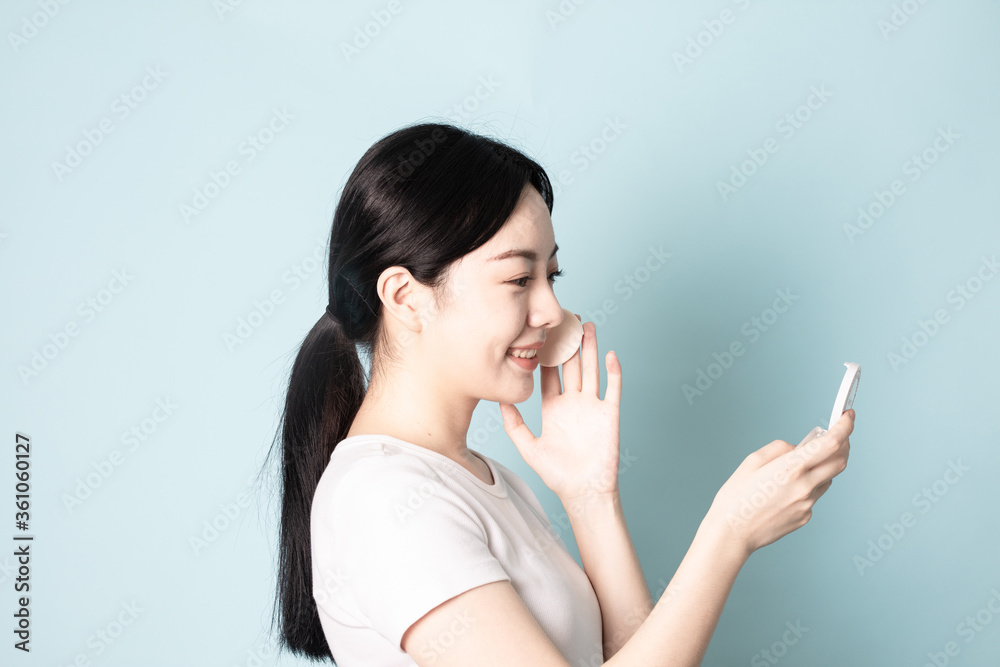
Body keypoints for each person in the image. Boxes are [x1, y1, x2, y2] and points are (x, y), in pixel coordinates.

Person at [266, 121, 854, 666]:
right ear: (405, 296)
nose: (551, 310)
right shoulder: (384, 498)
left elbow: (632, 652)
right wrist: (729, 534)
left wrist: (590, 496)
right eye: (520, 279)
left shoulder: (482, 479)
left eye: (551, 277)